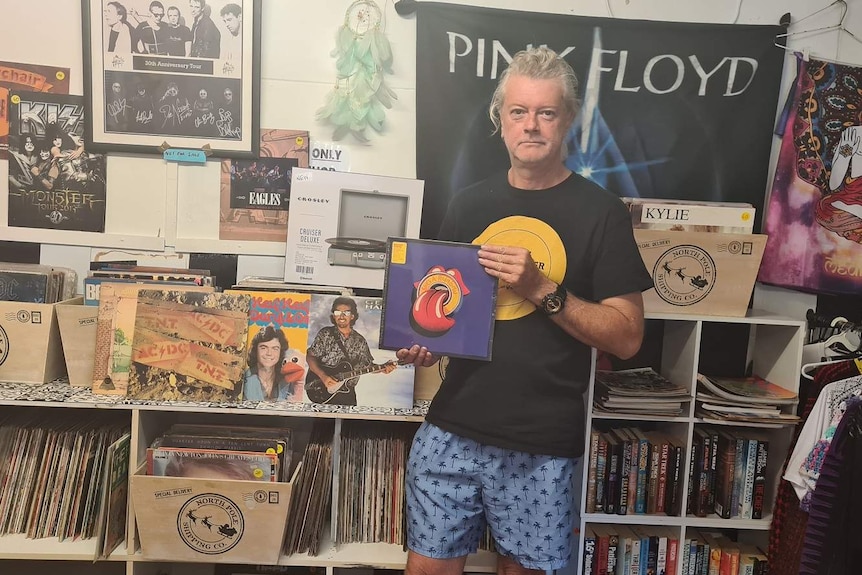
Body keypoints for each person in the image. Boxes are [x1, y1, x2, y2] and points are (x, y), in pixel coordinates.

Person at [396, 46, 653, 574]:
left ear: (569, 121)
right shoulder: (469, 202)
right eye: (519, 111)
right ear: (501, 119)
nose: (531, 125)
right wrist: (425, 342)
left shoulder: (601, 213)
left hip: (542, 442)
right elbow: (439, 304)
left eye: (546, 113)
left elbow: (627, 337)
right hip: (453, 424)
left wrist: (541, 287)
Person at [305, 296, 396, 406]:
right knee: (321, 422)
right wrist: (323, 376)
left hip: (347, 394)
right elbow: (310, 357)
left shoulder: (360, 341)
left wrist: (382, 368)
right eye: (338, 312)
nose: (342, 316)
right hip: (322, 388)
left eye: (346, 313)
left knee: (350, 423)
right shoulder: (325, 334)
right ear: (334, 315)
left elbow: (366, 366)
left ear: (352, 316)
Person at [242, 325, 303, 401]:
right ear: (255, 350)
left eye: (275, 348)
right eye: (263, 348)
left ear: (281, 352)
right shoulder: (242, 379)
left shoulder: (287, 380)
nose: (269, 353)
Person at [219, 3, 242, 67]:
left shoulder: (249, 40)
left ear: (240, 17)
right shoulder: (226, 40)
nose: (227, 24)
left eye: (229, 20)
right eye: (225, 21)